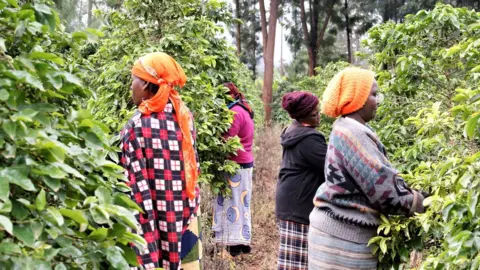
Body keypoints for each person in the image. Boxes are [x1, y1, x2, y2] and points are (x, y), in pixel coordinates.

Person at [308, 67, 425, 270]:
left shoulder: (344, 127)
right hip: (343, 237)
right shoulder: (354, 133)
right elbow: (386, 193)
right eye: (373, 94)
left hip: (332, 232)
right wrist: (425, 202)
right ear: (357, 98)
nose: (377, 101)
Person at [120, 52, 201, 270]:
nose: (131, 87)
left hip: (155, 224)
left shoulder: (136, 126)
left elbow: (137, 193)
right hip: (185, 217)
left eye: (133, 80)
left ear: (145, 84)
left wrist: (145, 243)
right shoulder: (184, 117)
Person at [275, 91, 327, 270]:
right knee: (297, 264)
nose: (319, 117)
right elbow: (332, 167)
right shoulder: (310, 139)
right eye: (314, 114)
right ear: (303, 116)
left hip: (290, 202)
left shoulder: (293, 130)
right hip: (298, 206)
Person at [212, 82, 255, 257]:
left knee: (232, 203)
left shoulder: (235, 112)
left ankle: (233, 244)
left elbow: (227, 141)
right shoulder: (242, 109)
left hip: (236, 165)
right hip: (243, 164)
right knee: (239, 202)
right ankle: (239, 240)